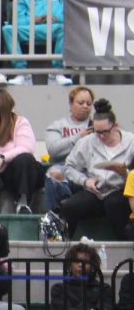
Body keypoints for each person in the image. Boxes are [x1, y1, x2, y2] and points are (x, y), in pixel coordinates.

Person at [59, 99, 134, 236]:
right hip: (95, 191)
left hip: (120, 191)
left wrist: (126, 173)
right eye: (97, 132)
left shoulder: (131, 142)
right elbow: (69, 167)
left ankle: (124, 244)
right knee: (69, 207)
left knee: (114, 204)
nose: (101, 136)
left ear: (115, 126)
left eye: (105, 132)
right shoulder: (87, 142)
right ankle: (63, 243)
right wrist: (85, 181)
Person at [1, 0, 71, 87]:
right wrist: (34, 20)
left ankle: (58, 72)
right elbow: (18, 20)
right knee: (8, 29)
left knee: (64, 28)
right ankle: (21, 73)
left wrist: (57, 18)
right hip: (30, 29)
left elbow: (72, 12)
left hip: (54, 28)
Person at [44, 86, 94, 214]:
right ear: (71, 104)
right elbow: (53, 150)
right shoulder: (57, 126)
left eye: (89, 103)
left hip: (87, 169)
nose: (85, 106)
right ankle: (55, 216)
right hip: (63, 167)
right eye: (81, 102)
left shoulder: (97, 126)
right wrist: (78, 137)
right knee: (53, 173)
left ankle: (68, 205)